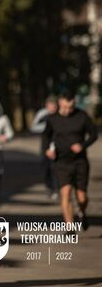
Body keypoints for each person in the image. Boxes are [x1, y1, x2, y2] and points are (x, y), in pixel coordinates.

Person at [42, 91, 97, 230]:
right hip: (61, 161)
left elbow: (94, 134)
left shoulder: (82, 116)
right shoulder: (52, 119)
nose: (68, 110)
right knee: (65, 193)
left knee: (82, 197)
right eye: (66, 107)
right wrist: (47, 150)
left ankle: (82, 212)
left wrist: (82, 145)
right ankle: (69, 227)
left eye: (71, 107)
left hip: (80, 161)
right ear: (60, 103)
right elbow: (46, 136)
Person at [30, 95, 58, 199]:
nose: (52, 107)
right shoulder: (42, 114)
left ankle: (56, 189)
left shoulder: (60, 114)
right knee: (45, 168)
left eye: (54, 105)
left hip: (57, 144)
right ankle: (49, 187)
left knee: (55, 168)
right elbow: (33, 127)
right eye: (50, 105)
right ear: (46, 105)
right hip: (45, 144)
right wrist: (46, 127)